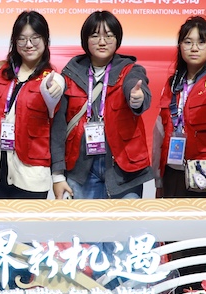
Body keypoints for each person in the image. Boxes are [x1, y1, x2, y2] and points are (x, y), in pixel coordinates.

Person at [54, 11, 153, 200]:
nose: (102, 42)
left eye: (108, 36)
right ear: (85, 39)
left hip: (123, 170)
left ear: (117, 39)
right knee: (84, 220)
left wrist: (137, 98)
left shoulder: (129, 70)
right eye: (95, 36)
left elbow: (135, 85)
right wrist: (57, 175)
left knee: (126, 220)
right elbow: (59, 127)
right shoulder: (71, 74)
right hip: (81, 170)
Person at [0, 11, 66, 200]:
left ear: (45, 40)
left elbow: (52, 97)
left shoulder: (52, 79)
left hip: (30, 178)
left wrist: (52, 90)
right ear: (14, 41)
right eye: (22, 39)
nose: (28, 44)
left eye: (35, 38)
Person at [154, 16, 206, 198]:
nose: (194, 48)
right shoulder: (171, 84)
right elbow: (160, 133)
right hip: (174, 172)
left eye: (201, 42)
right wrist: (158, 178)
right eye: (188, 42)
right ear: (180, 46)